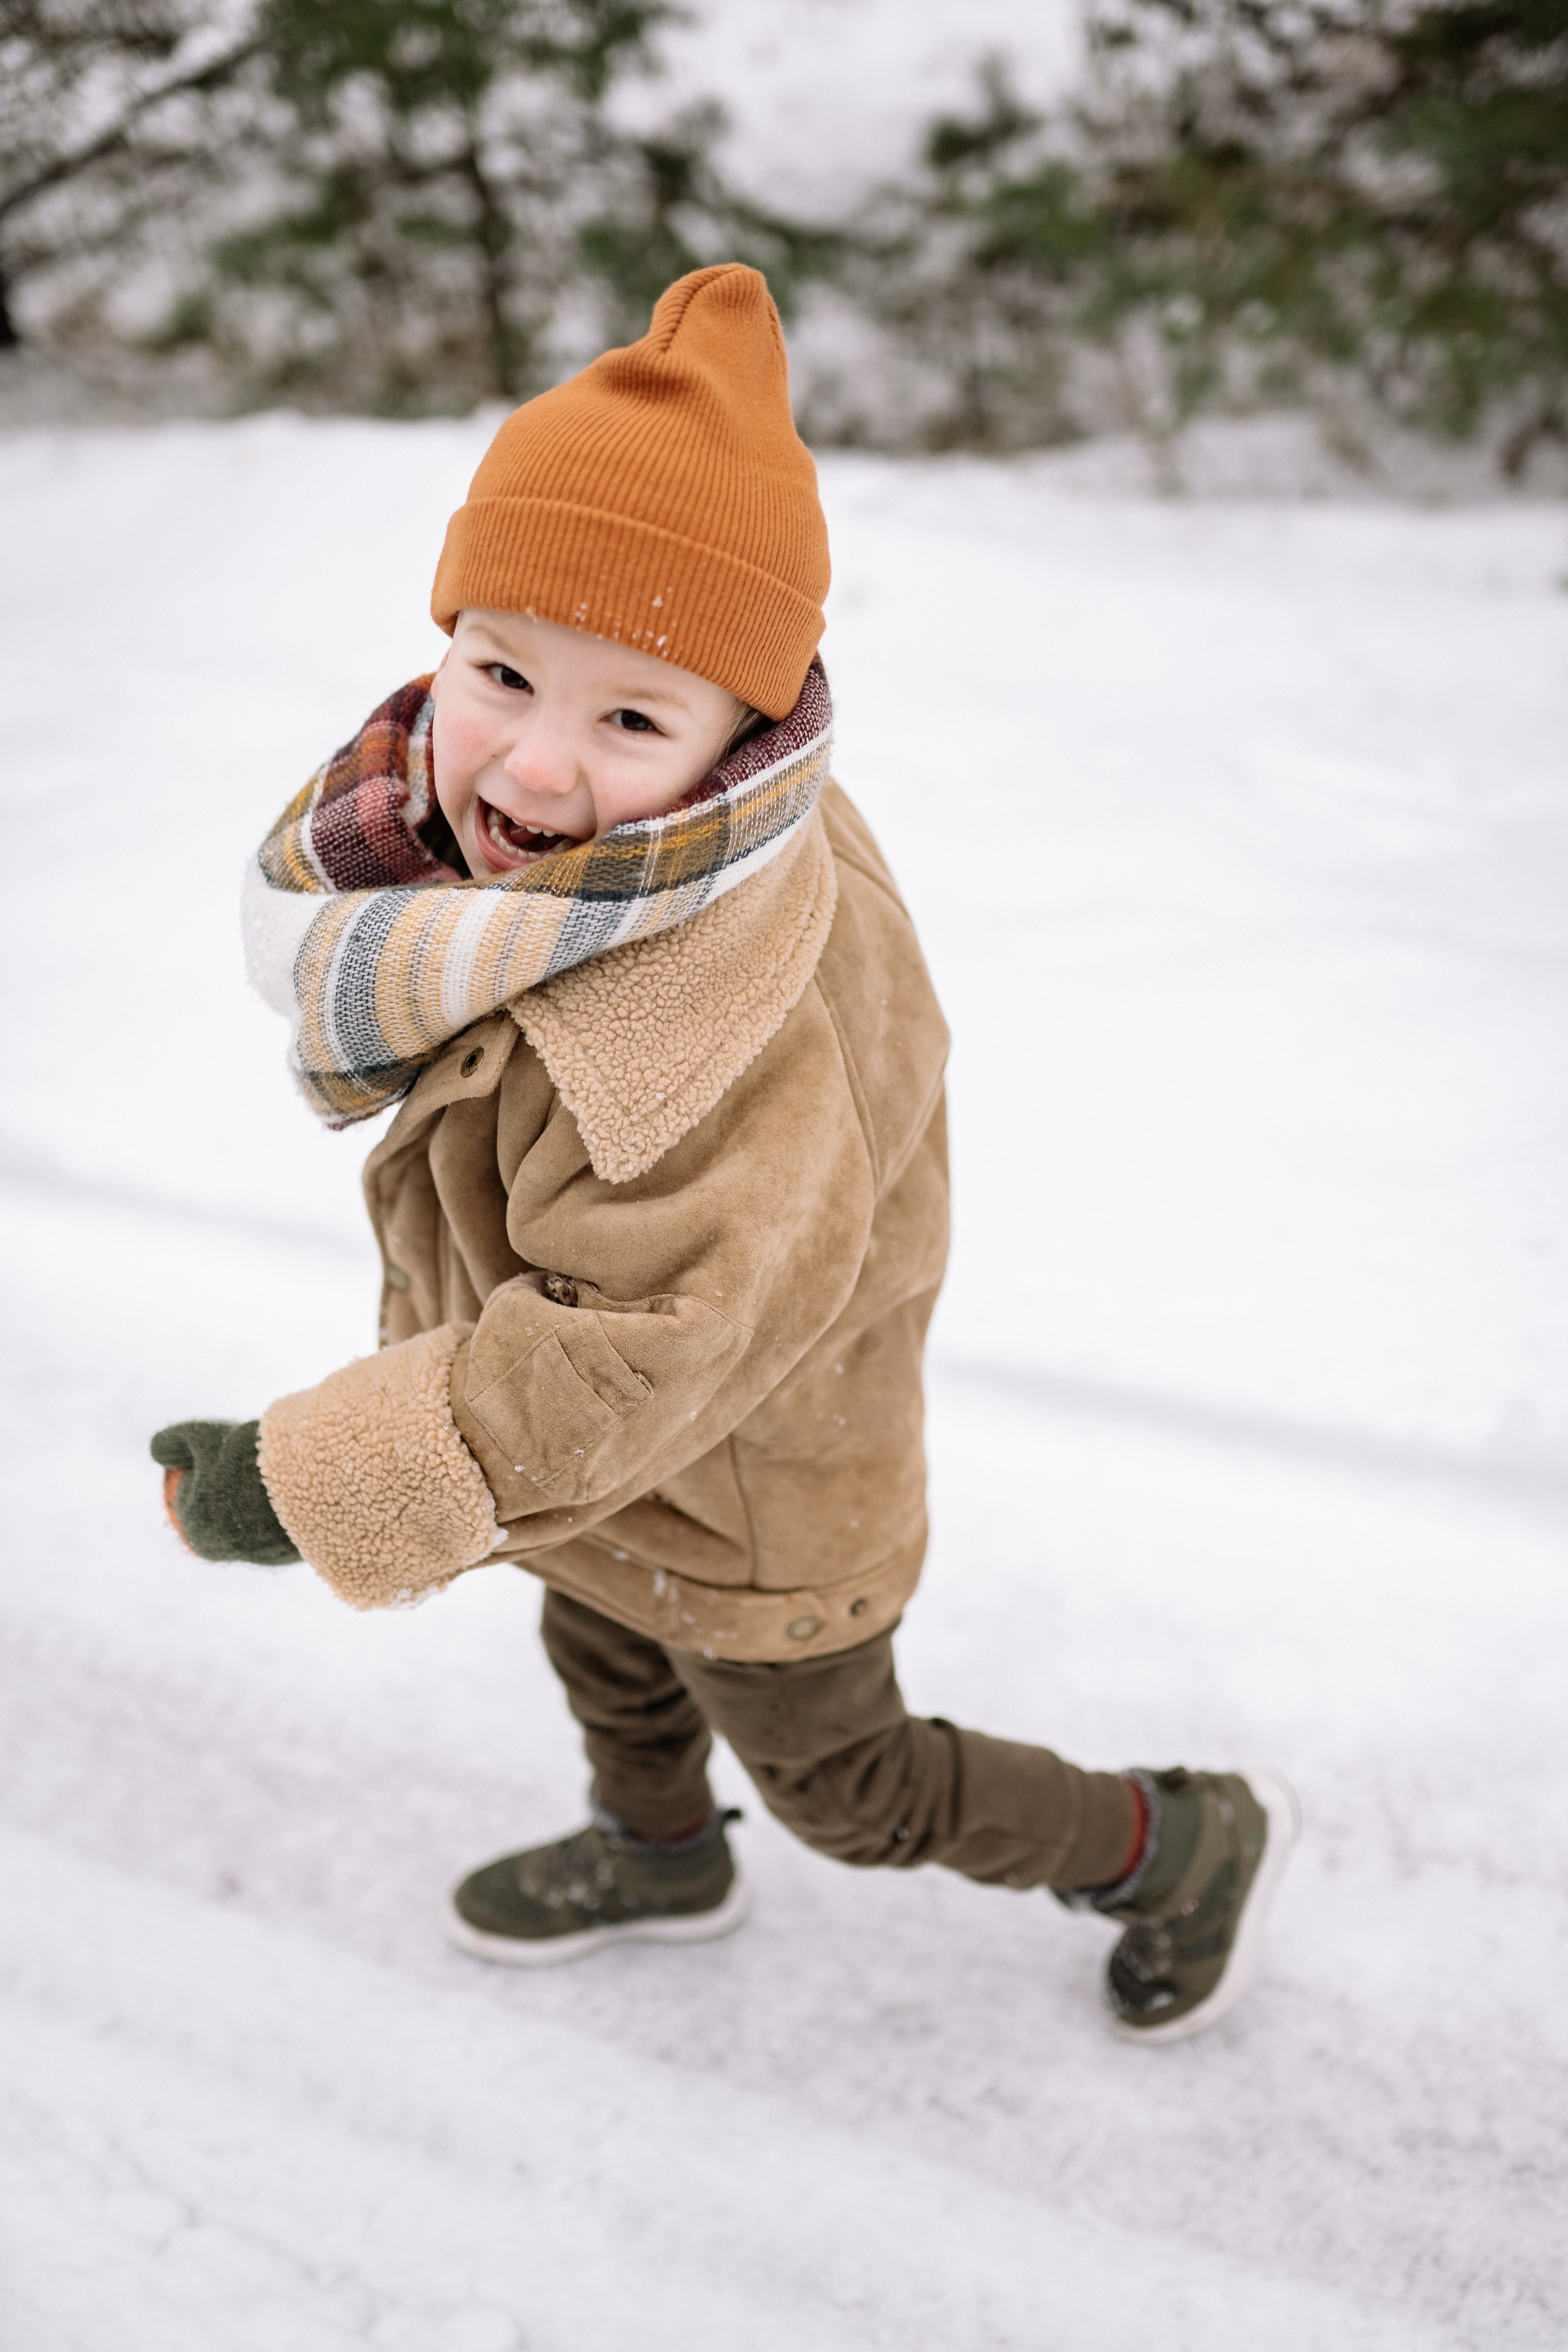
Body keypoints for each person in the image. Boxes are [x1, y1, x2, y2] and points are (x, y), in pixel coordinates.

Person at [151, 263, 1298, 2042]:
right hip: (623, 1477)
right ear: (439, 645)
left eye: (629, 716)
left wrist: (296, 1482)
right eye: (501, 671)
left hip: (754, 1485)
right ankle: (661, 1852)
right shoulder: (648, 867)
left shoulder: (689, 1010)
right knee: (599, 1642)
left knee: (857, 1789)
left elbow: (640, 1345)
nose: (533, 762)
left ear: (732, 734)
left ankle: (1170, 1841)